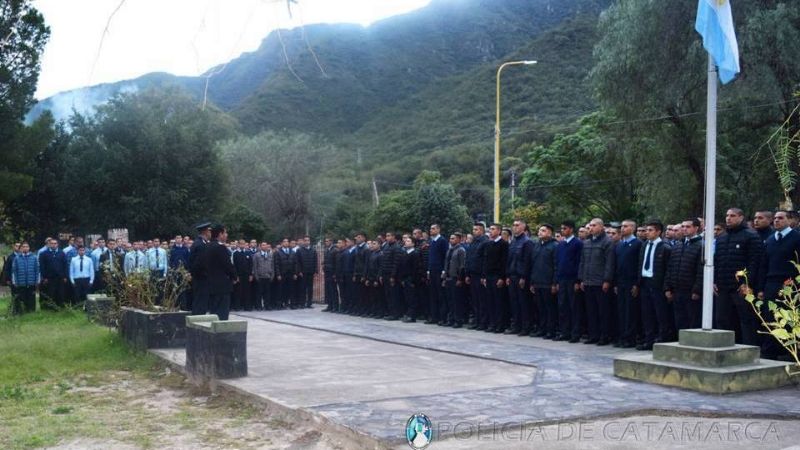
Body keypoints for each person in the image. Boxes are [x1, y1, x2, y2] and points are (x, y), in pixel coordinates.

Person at [713, 208, 763, 345]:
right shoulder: (722, 238)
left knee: (746, 319)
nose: (728, 218)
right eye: (727, 215)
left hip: (741, 287)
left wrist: (747, 283)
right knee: (722, 319)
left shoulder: (751, 236)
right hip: (723, 286)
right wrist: (715, 281)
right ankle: (724, 348)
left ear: (741, 217)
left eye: (732, 216)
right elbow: (717, 261)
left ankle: (748, 349)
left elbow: (754, 262)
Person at [756, 210, 800, 359]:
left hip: (790, 285)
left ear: (790, 220)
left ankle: (790, 352)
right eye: (774, 218)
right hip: (771, 284)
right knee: (770, 318)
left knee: (789, 318)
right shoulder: (770, 240)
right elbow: (763, 265)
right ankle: (770, 351)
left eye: (780, 218)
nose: (776, 221)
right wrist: (761, 288)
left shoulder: (797, 238)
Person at [577, 218, 616, 345]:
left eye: (594, 226)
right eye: (590, 226)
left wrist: (607, 280)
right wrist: (581, 278)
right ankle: (593, 335)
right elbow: (582, 262)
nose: (591, 228)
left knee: (603, 311)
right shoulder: (587, 243)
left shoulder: (607, 242)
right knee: (591, 311)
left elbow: (609, 263)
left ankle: (604, 336)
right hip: (588, 281)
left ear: (601, 227)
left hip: (600, 282)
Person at [636, 221, 672, 351]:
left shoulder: (665, 247)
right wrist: (638, 282)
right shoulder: (645, 245)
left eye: (650, 230)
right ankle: (648, 339)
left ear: (658, 232)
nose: (647, 232)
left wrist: (666, 287)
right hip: (645, 282)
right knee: (647, 313)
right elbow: (640, 263)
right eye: (646, 230)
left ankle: (661, 338)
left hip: (658, 284)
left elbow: (668, 269)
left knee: (660, 313)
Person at [664, 218, 704, 331]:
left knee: (692, 319)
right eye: (683, 227)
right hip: (677, 289)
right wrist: (667, 287)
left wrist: (697, 290)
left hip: (690, 290)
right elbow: (670, 267)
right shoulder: (678, 245)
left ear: (696, 228)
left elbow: (701, 271)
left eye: (688, 227)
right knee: (679, 319)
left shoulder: (701, 246)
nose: (684, 229)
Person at [613, 220, 642, 348]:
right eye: (622, 226)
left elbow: (639, 265)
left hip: (631, 282)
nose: (622, 228)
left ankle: (630, 338)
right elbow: (616, 265)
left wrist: (637, 283)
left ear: (633, 228)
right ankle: (622, 336)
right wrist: (615, 283)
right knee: (621, 310)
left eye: (625, 226)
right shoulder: (619, 245)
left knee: (630, 311)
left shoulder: (638, 244)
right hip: (621, 282)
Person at [555, 221, 582, 342]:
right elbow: (557, 263)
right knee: (562, 306)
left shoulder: (577, 243)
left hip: (572, 279)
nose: (562, 230)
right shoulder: (560, 244)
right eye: (561, 228)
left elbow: (579, 262)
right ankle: (564, 332)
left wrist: (577, 280)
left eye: (564, 228)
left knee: (574, 307)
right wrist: (556, 280)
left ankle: (575, 333)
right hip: (562, 279)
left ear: (571, 229)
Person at [202, 224, 237, 320]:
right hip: (222, 285)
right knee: (222, 313)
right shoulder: (220, 247)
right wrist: (234, 276)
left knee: (214, 312)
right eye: (225, 233)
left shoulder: (207, 246)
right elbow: (227, 265)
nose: (226, 235)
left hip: (211, 284)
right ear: (220, 234)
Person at [530, 224, 558, 339]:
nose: (540, 232)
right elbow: (533, 264)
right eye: (539, 230)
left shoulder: (554, 246)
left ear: (550, 233)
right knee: (540, 308)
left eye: (543, 230)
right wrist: (532, 282)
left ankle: (551, 330)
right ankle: (542, 329)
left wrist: (554, 283)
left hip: (548, 282)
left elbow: (556, 266)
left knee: (549, 308)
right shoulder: (536, 245)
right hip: (537, 281)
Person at [506, 220, 534, 335]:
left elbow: (527, 261)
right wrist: (507, 275)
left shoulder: (527, 242)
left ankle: (526, 327)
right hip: (512, 276)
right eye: (513, 225)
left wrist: (523, 277)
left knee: (523, 302)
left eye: (517, 225)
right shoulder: (513, 241)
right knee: (514, 302)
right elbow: (509, 260)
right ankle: (516, 326)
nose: (514, 227)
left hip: (521, 277)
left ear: (523, 227)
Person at [481, 223, 508, 333]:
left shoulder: (503, 244)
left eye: (493, 229)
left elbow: (504, 262)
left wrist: (502, 277)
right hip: (489, 276)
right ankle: (492, 323)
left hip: (498, 276)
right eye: (490, 229)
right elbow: (485, 261)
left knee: (499, 302)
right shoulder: (488, 244)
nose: (490, 231)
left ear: (499, 231)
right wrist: (484, 276)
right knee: (490, 301)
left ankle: (500, 325)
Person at [465, 222, 488, 329]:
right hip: (472, 274)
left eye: (476, 230)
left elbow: (484, 260)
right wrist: (467, 274)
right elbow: (469, 258)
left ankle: (483, 322)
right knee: (475, 300)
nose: (474, 231)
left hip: (480, 275)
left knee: (482, 300)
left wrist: (483, 275)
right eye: (473, 229)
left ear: (482, 231)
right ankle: (477, 320)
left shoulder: (485, 242)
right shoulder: (473, 242)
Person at [443, 233, 467, 327]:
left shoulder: (461, 250)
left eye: (453, 238)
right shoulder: (449, 250)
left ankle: (458, 320)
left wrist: (460, 279)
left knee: (457, 301)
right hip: (448, 277)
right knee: (450, 300)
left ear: (458, 239)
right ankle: (451, 319)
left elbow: (462, 266)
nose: (451, 240)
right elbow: (446, 264)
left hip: (456, 278)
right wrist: (444, 277)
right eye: (450, 238)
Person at [189, 222, 213, 316]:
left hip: (200, 278)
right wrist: (206, 274)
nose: (210, 233)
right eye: (209, 231)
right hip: (201, 278)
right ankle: (197, 322)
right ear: (205, 232)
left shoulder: (200, 243)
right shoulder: (200, 245)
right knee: (200, 302)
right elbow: (199, 263)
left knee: (201, 301)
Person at [398, 235, 423, 322]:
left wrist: (413, 280)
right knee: (407, 298)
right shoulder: (405, 253)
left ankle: (412, 316)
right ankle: (408, 313)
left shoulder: (415, 254)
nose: (406, 242)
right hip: (405, 279)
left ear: (413, 244)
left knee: (412, 298)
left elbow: (416, 269)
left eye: (408, 241)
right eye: (406, 241)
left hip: (411, 279)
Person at [11, 242, 39, 314]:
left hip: (31, 282)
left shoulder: (34, 257)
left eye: (26, 246)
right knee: (22, 298)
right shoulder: (17, 258)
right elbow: (14, 271)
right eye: (23, 247)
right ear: (21, 248)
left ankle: (32, 312)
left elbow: (37, 270)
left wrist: (37, 281)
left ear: (29, 248)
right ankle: (22, 312)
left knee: (31, 298)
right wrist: (15, 282)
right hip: (21, 283)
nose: (25, 248)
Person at [39, 238, 67, 309]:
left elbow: (65, 265)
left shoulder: (62, 253)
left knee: (60, 293)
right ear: (49, 244)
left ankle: (60, 307)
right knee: (50, 293)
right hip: (49, 278)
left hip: (60, 277)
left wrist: (65, 276)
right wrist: (44, 277)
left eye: (55, 243)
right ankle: (51, 308)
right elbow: (42, 267)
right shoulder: (44, 254)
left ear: (57, 244)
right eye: (52, 243)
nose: (53, 245)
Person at [252, 241, 276, 310]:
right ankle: (259, 306)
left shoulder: (270, 255)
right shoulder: (256, 255)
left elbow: (272, 266)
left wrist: (272, 275)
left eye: (265, 245)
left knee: (267, 293)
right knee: (259, 293)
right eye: (263, 245)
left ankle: (267, 305)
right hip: (260, 277)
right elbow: (255, 267)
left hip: (268, 276)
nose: (264, 246)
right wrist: (256, 276)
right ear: (260, 246)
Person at [296, 236, 318, 309]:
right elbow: (297, 262)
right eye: (305, 240)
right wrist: (299, 271)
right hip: (303, 272)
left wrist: (315, 271)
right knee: (302, 288)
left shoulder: (313, 250)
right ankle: (302, 303)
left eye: (308, 240)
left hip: (311, 272)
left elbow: (315, 261)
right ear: (303, 241)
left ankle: (309, 303)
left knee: (310, 288)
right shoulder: (299, 250)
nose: (307, 242)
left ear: (310, 241)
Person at [232, 239, 253, 311]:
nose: (242, 245)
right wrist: (236, 276)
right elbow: (234, 266)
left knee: (247, 291)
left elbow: (250, 265)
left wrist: (250, 275)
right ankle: (237, 307)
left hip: (247, 275)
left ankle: (247, 306)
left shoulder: (248, 253)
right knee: (238, 291)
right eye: (241, 244)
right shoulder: (235, 253)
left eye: (243, 244)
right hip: (239, 275)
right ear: (238, 245)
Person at [322, 238, 339, 312]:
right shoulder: (326, 250)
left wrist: (335, 273)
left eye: (328, 241)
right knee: (328, 289)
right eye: (325, 241)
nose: (326, 242)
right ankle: (330, 305)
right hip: (327, 272)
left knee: (333, 290)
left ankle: (335, 306)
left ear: (331, 242)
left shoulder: (335, 250)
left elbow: (336, 263)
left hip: (332, 272)